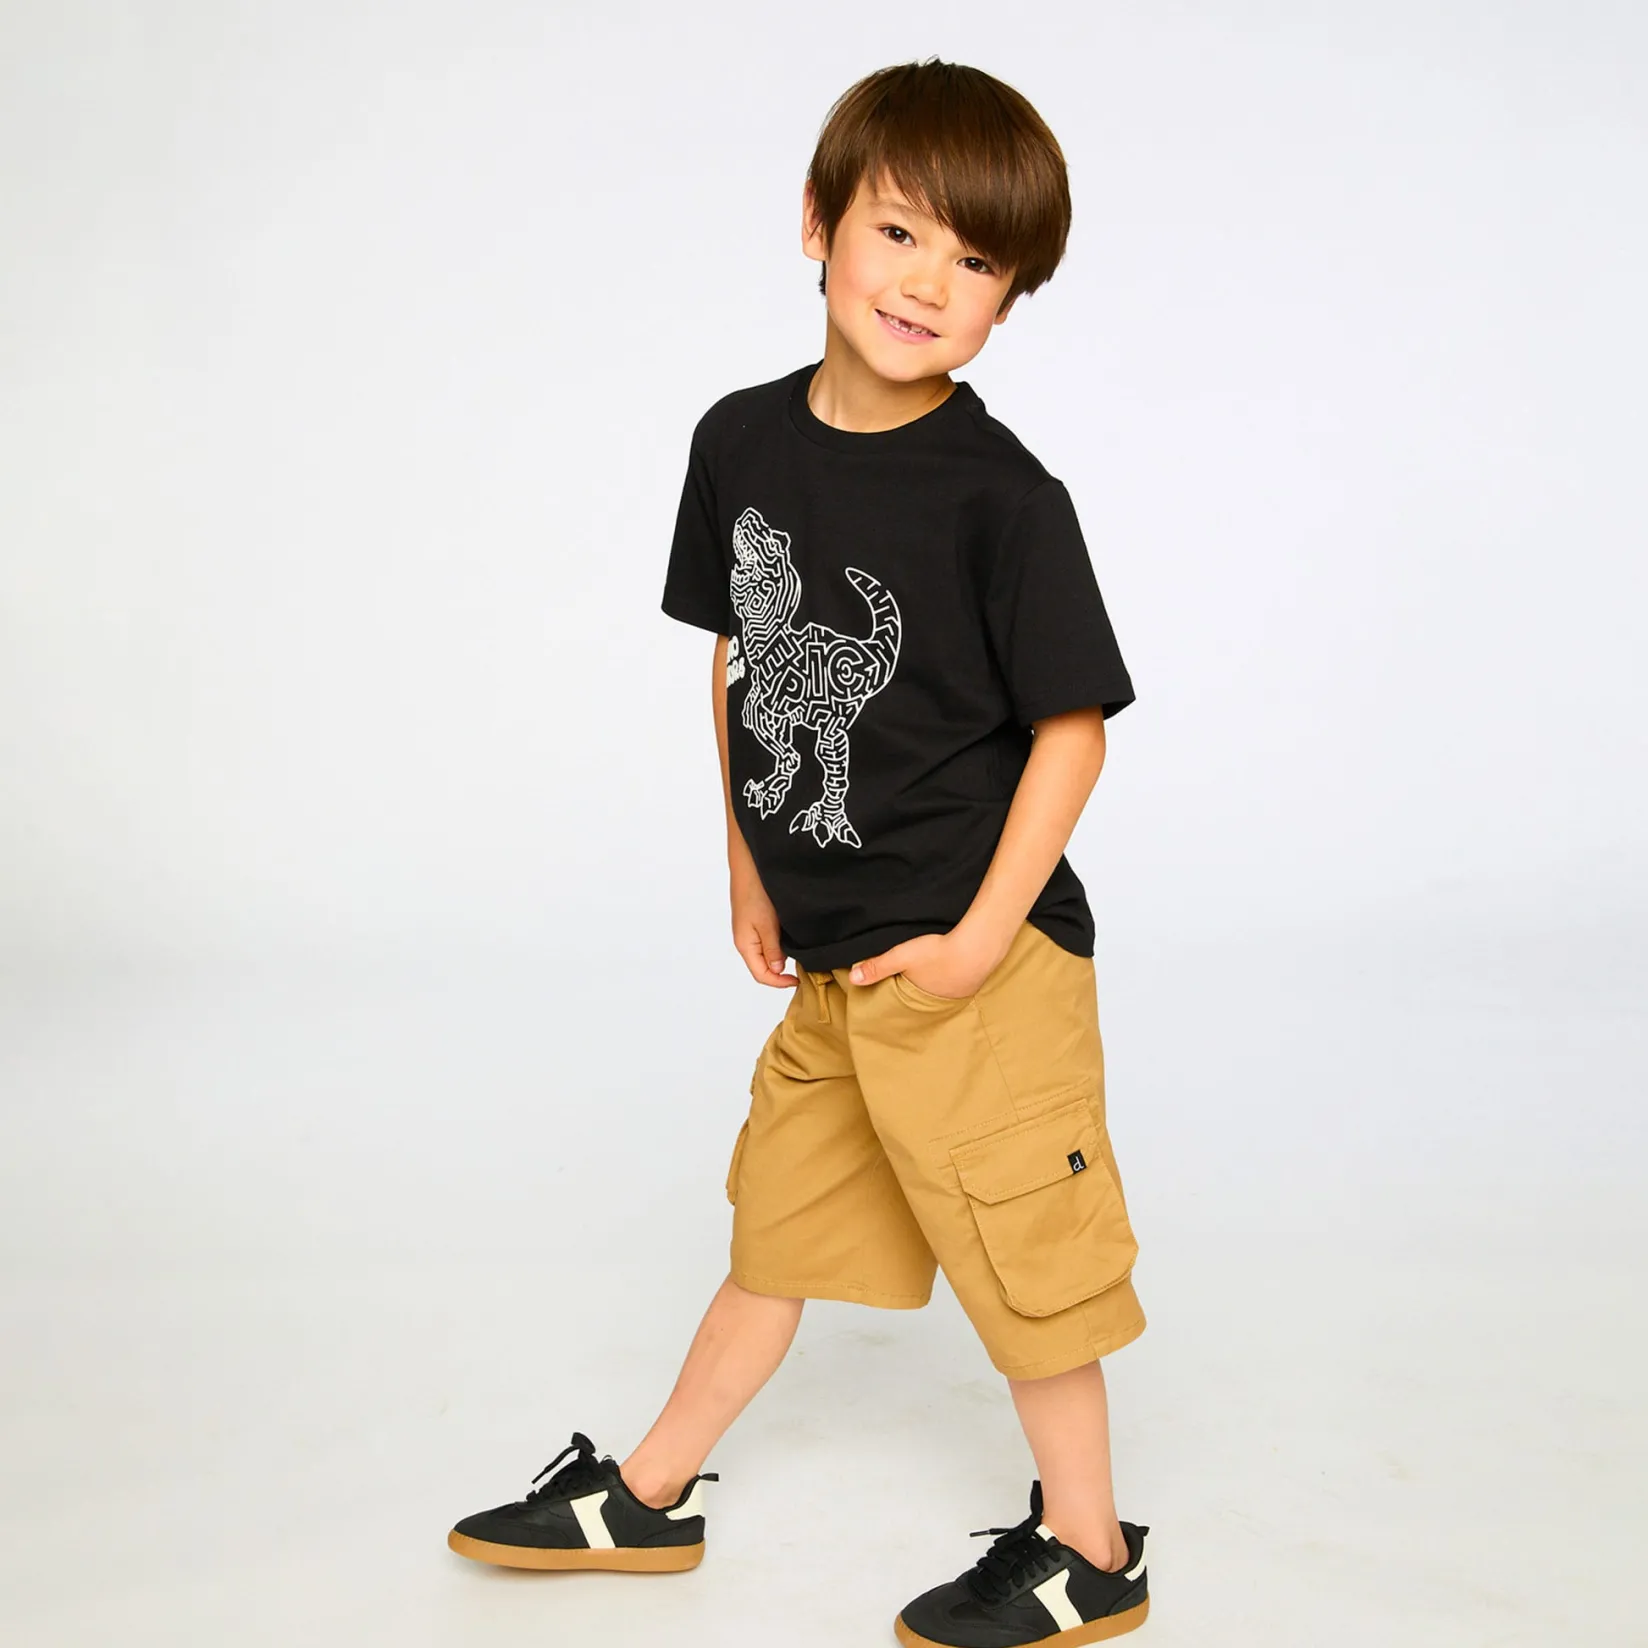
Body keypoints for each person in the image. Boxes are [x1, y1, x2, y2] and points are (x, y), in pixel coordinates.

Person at [446, 56, 1152, 1647]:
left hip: (977, 966)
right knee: (776, 1227)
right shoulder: (741, 445)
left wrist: (976, 944)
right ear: (821, 225)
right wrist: (749, 863)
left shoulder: (1005, 501)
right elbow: (738, 664)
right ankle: (648, 1492)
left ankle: (1091, 1549)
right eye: (901, 233)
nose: (929, 284)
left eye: (977, 263)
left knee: (1027, 1264)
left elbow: (1074, 734)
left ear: (1010, 302)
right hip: (837, 960)